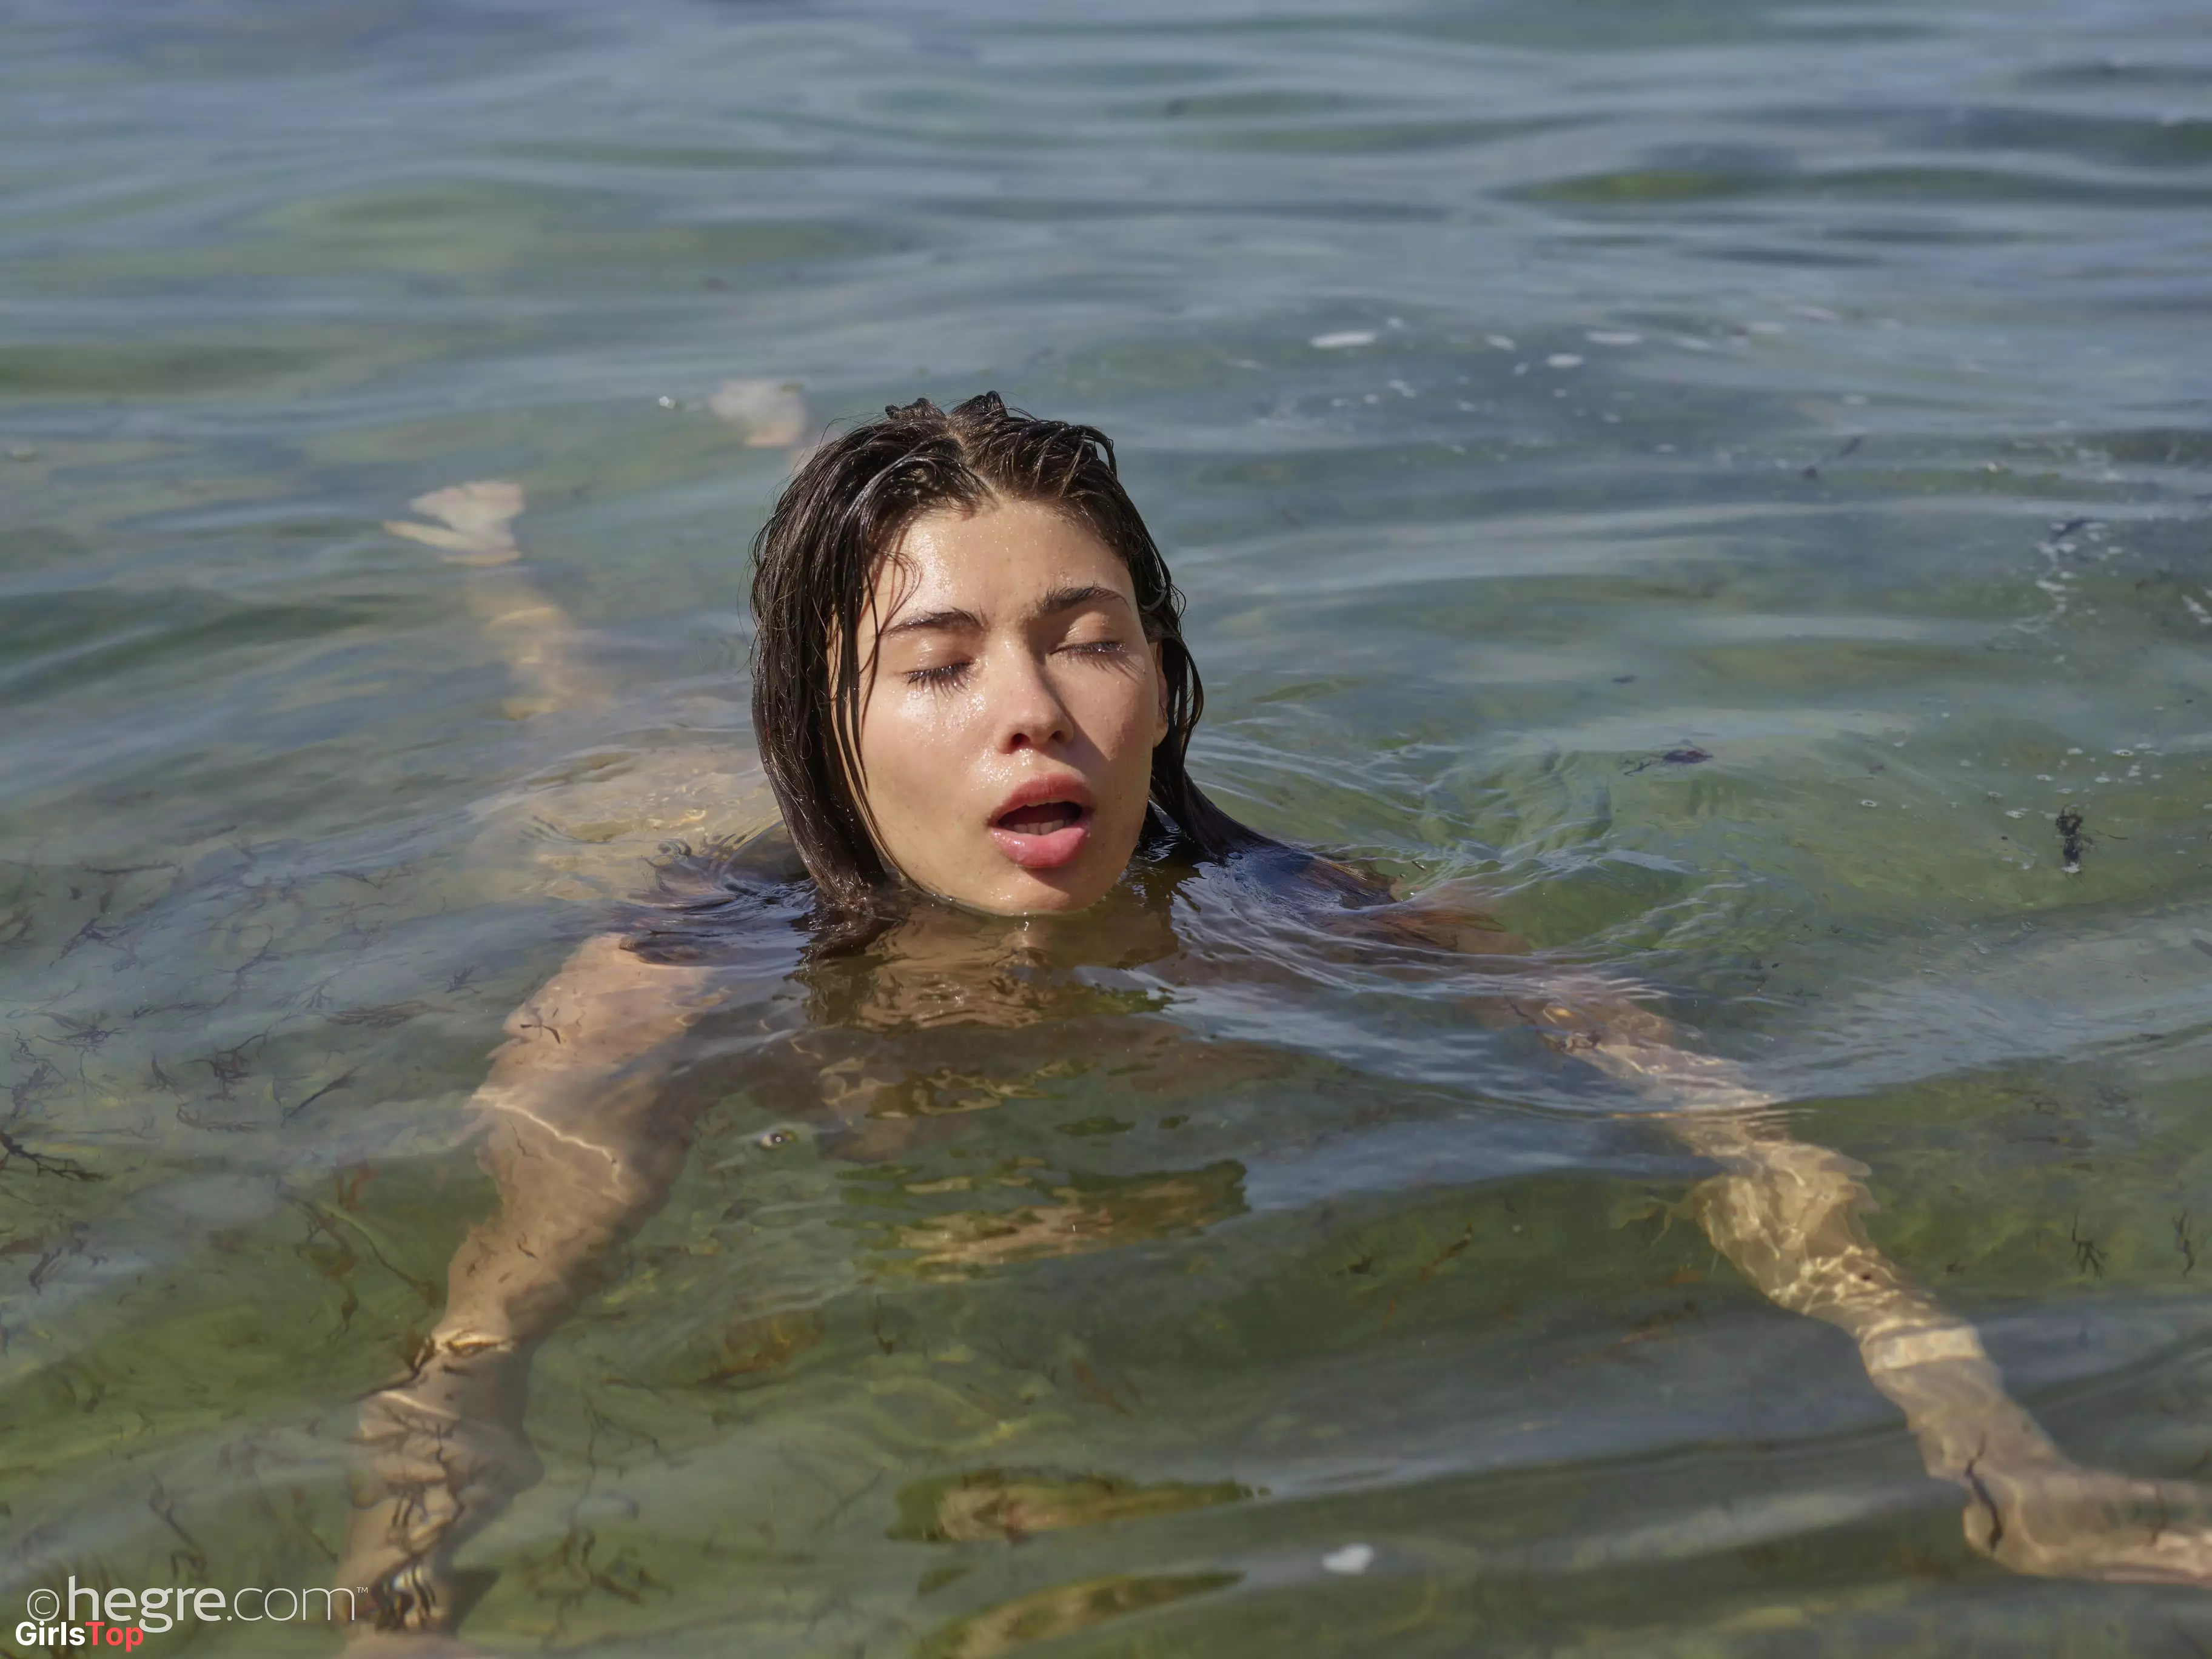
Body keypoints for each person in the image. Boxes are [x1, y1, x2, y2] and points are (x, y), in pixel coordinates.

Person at [346, 394, 2212, 1649]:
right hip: (671, 830)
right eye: (938, 665)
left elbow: (1735, 1127)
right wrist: (410, 1555)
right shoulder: (674, 976)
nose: (1033, 711)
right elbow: (482, 1326)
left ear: (1164, 679)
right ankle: (496, 570)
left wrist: (1988, 1439)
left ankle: (780, 470)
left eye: (1087, 636)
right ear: (826, 726)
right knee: (569, 717)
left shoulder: (1314, 920)